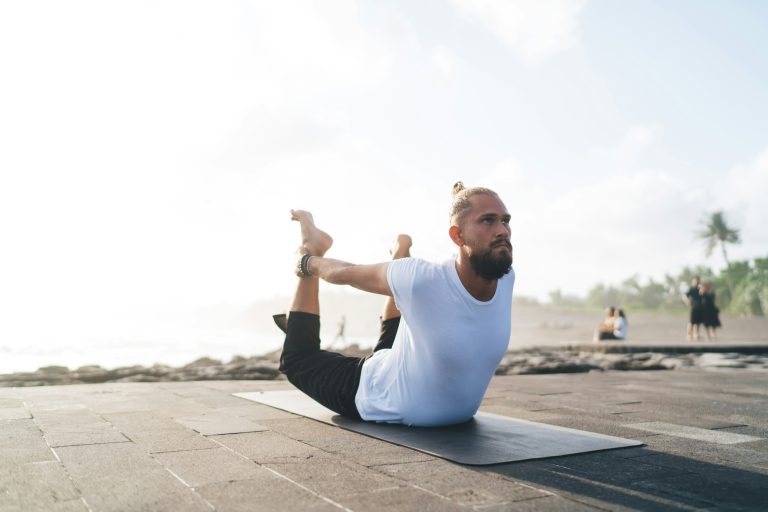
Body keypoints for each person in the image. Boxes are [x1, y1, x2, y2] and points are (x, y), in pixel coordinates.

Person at [277, 182, 514, 427]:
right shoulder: (424, 278)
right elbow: (346, 272)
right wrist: (306, 262)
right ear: (457, 235)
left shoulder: (506, 277)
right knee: (297, 361)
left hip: (404, 371)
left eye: (505, 221)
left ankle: (399, 251)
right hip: (374, 393)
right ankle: (314, 244)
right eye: (488, 221)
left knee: (405, 322)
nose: (502, 231)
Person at [682, 276, 703, 341]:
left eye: (696, 281)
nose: (695, 282)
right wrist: (688, 303)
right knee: (692, 322)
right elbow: (684, 296)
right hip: (694, 307)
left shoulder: (699, 289)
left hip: (700, 307)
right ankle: (689, 335)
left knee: (698, 322)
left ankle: (696, 334)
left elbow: (702, 295)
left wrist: (701, 288)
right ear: (692, 282)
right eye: (694, 281)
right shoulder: (691, 289)